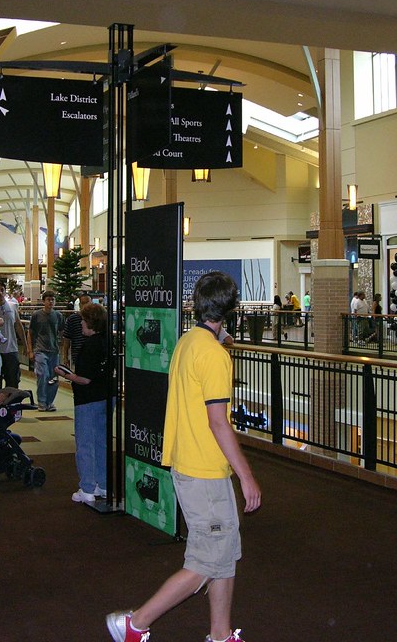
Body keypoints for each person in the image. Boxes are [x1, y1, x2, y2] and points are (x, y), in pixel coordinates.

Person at [107, 271, 261, 642]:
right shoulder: (215, 356)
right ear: (231, 310)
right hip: (205, 471)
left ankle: (220, 634)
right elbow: (219, 423)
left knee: (223, 553)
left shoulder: (190, 342)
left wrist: (219, 336)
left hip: (191, 466)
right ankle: (136, 623)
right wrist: (247, 477)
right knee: (206, 562)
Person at [56, 301, 111, 503]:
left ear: (90, 322)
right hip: (106, 396)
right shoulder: (108, 341)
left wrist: (65, 374)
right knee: (101, 442)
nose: (80, 325)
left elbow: (85, 379)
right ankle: (103, 484)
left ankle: (87, 487)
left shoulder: (89, 346)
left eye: (82, 321)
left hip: (88, 399)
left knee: (86, 443)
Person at [28, 290, 65, 411]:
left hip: (54, 351)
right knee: (43, 375)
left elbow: (62, 333)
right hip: (40, 350)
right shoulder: (37, 315)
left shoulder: (58, 316)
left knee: (53, 377)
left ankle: (50, 402)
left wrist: (63, 351)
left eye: (52, 300)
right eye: (48, 300)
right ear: (44, 301)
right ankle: (42, 401)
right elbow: (31, 333)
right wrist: (30, 350)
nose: (51, 302)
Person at [0, 281, 28, 391]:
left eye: (2, 290)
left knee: (13, 382)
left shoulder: (12, 306)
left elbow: (18, 325)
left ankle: (12, 406)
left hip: (11, 350)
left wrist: (26, 345)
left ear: (5, 291)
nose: (0, 293)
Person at [63, 293, 92, 368]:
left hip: (93, 355)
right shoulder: (72, 319)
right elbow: (67, 339)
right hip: (78, 355)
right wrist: (65, 357)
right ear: (79, 305)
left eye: (87, 303)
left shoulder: (96, 318)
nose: (85, 306)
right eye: (83, 303)